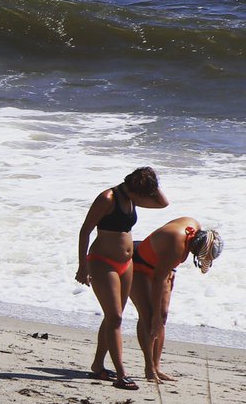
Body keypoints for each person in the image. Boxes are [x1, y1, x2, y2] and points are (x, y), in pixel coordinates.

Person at [76, 166, 168, 390]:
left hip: (126, 264)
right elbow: (85, 230)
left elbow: (162, 202)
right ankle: (121, 375)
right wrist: (82, 266)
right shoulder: (107, 198)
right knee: (115, 317)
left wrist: (153, 184)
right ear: (135, 189)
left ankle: (98, 366)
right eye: (145, 192)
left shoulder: (132, 198)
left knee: (113, 317)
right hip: (102, 261)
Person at [123, 218, 223, 383]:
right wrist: (155, 314)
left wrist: (171, 270)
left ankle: (156, 366)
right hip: (137, 261)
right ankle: (149, 368)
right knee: (148, 315)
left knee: (162, 317)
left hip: (159, 263)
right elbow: (157, 280)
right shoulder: (177, 246)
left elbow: (166, 264)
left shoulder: (194, 227)